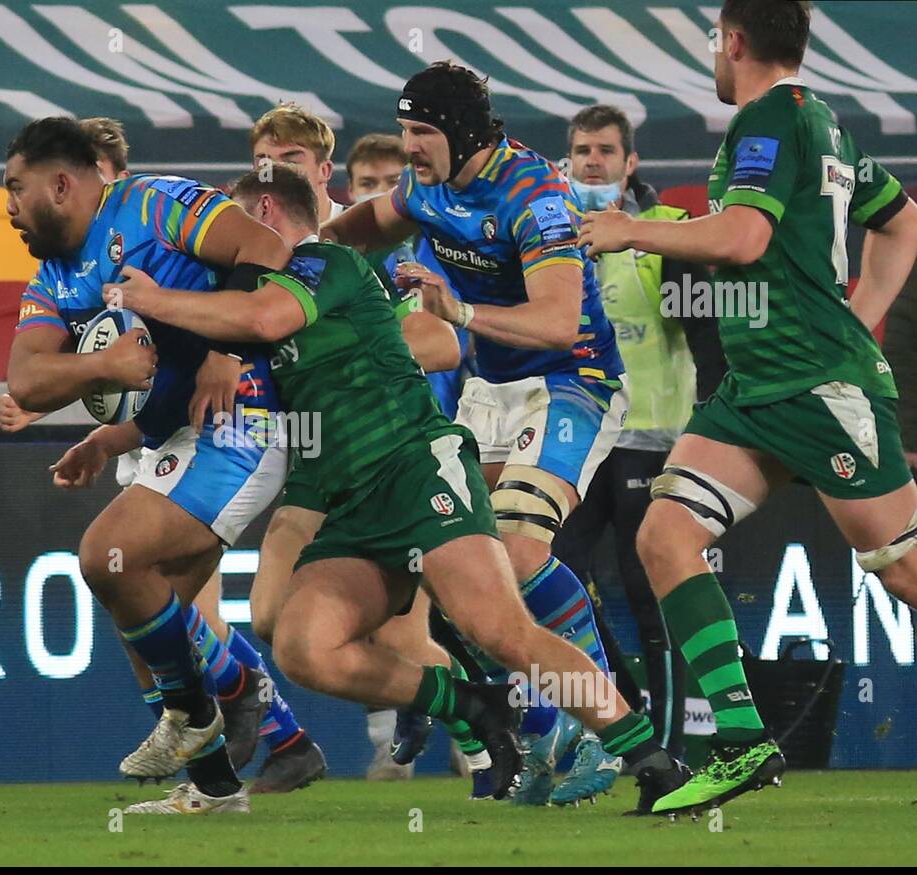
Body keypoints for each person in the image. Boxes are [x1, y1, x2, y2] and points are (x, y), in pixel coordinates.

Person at [97, 162, 691, 813]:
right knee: (302, 643)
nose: (219, 251)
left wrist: (148, 297)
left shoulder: (326, 264)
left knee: (502, 629)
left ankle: (651, 758)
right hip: (345, 501)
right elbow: (206, 370)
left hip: (415, 472)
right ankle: (468, 702)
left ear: (264, 214)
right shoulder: (245, 307)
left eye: (230, 228)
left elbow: (263, 318)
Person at [578, 0, 917, 814]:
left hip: (814, 385)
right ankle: (740, 740)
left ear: (733, 41)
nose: (713, 57)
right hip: (756, 388)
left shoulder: (770, 119)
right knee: (667, 534)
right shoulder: (821, 120)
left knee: (904, 569)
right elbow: (901, 222)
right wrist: (861, 315)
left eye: (712, 42)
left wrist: (633, 230)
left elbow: (741, 239)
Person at [322, 61, 627, 808]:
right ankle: (547, 724)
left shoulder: (535, 195)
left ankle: (599, 725)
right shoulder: (428, 182)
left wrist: (456, 314)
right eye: (403, 130)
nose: (410, 147)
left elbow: (559, 321)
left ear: (460, 131)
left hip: (570, 381)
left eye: (421, 132)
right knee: (451, 561)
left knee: (519, 553)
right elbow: (363, 225)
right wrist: (299, 264)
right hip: (490, 390)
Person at [4, 116, 293, 814]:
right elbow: (26, 381)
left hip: (243, 413)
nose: (7, 206)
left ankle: (204, 713)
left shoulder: (156, 205)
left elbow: (265, 246)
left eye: (16, 188)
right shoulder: (55, 277)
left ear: (63, 183)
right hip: (175, 431)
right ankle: (217, 785)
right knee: (140, 609)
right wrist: (105, 371)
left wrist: (228, 351)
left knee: (106, 554)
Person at [246, 107, 469, 787]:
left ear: (321, 170)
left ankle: (485, 730)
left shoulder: (362, 247)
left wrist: (346, 353)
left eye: (287, 157)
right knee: (269, 614)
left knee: (405, 632)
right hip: (317, 465)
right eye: (262, 158)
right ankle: (450, 707)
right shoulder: (251, 246)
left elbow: (443, 339)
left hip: (392, 456)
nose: (271, 170)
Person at [550, 105, 724, 790]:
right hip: (576, 441)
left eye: (605, 150)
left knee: (648, 589)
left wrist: (710, 433)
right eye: (581, 150)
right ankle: (632, 721)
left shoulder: (667, 237)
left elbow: (707, 342)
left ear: (631, 164)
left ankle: (671, 747)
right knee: (552, 579)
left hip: (655, 441)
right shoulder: (550, 234)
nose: (591, 161)